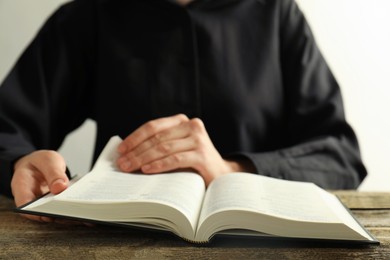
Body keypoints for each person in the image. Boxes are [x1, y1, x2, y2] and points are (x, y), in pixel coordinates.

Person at [0, 0, 367, 222]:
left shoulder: (276, 14)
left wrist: (230, 170)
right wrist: (19, 162)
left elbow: (340, 156)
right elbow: (7, 127)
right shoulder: (88, 16)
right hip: (116, 246)